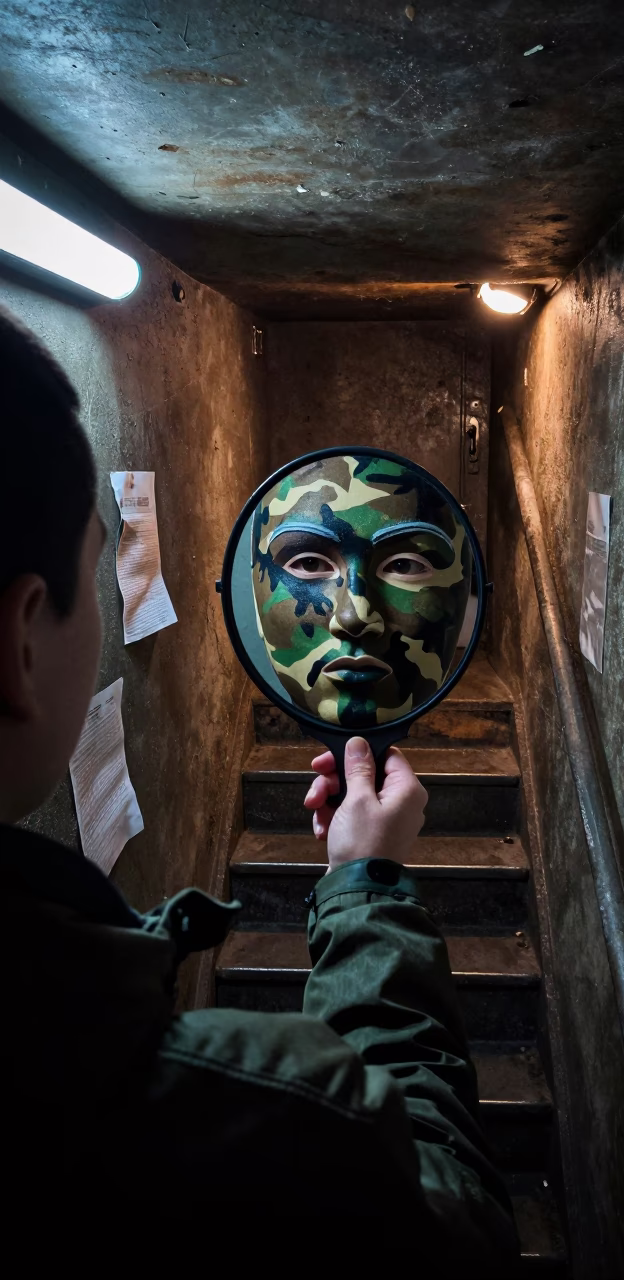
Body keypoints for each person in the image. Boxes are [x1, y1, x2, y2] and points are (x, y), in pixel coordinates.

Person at [0, 305, 518, 1262]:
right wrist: (364, 894)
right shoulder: (242, 1124)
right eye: (311, 564)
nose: (356, 614)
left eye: (404, 562)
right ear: (17, 642)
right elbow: (454, 1224)